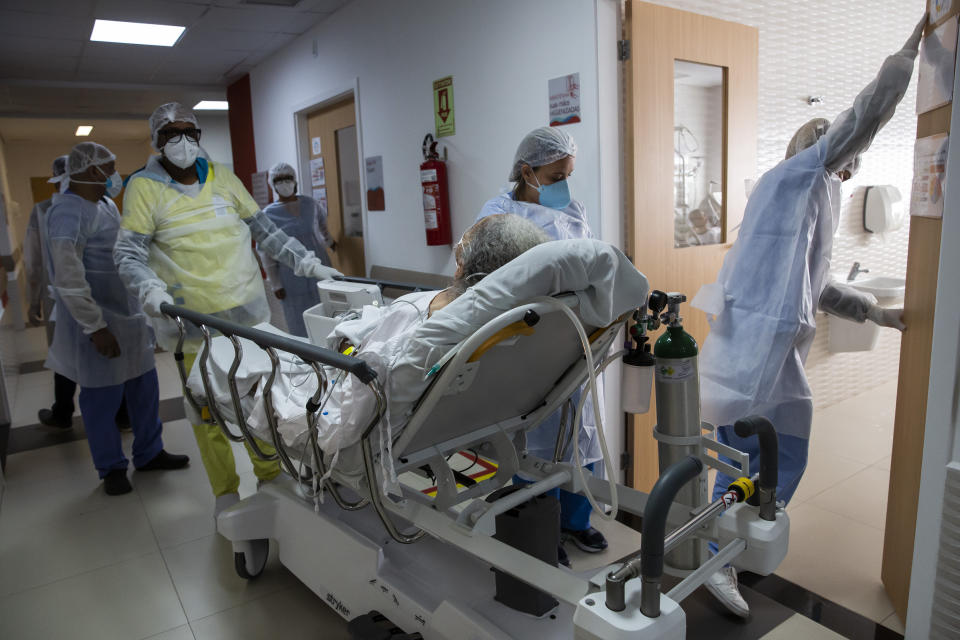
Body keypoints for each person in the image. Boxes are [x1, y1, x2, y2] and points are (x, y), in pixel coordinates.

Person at [691, 17, 924, 617]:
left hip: (777, 354)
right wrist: (909, 53)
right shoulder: (797, 178)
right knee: (743, 461)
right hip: (750, 354)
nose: (850, 170)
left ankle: (738, 547)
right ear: (828, 151)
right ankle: (718, 557)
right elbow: (864, 116)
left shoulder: (813, 193)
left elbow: (816, 287)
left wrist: (878, 314)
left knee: (784, 451)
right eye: (849, 159)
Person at [114, 102, 342, 517]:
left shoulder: (222, 176)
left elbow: (265, 232)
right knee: (206, 412)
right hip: (190, 323)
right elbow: (129, 253)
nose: (181, 142)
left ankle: (270, 474)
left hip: (248, 316)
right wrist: (149, 290)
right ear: (156, 141)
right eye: (170, 134)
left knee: (261, 399)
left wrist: (307, 263)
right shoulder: (143, 187)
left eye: (189, 132)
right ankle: (224, 490)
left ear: (199, 136)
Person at [476, 126, 607, 561]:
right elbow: (488, 275)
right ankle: (540, 528)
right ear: (526, 171)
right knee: (536, 437)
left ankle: (576, 521)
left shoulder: (575, 209)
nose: (563, 186)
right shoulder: (497, 212)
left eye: (568, 175)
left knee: (582, 430)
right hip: (529, 338)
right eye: (554, 177)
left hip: (576, 333)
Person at [43, 142, 189, 495]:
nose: (114, 176)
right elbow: (68, 277)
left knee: (143, 390)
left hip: (129, 317)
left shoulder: (104, 204)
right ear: (93, 171)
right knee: (101, 399)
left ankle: (150, 453)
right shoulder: (67, 212)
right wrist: (95, 327)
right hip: (100, 322)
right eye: (110, 168)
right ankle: (111, 468)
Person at [26, 155, 132, 431]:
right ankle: (119, 414)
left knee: (69, 355)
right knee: (98, 354)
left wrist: (34, 298)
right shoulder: (103, 205)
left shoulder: (46, 208)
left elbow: (34, 261)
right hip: (95, 294)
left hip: (66, 298)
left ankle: (64, 412)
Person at [259, 162, 337, 336]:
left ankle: (332, 347)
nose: (284, 183)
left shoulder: (310, 204)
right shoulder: (268, 214)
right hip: (290, 273)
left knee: (327, 310)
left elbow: (322, 226)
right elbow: (266, 251)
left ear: (295, 180)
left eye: (288, 178)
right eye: (279, 180)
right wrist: (275, 283)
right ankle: (305, 353)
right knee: (298, 315)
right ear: (273, 184)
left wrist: (330, 241)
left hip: (319, 263)